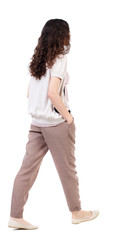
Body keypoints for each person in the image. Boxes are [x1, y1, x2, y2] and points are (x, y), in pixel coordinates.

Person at [8, 18, 99, 230]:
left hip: (36, 123)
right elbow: (52, 93)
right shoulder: (59, 59)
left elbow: (30, 93)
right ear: (62, 36)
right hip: (55, 124)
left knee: (26, 171)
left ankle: (15, 216)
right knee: (67, 170)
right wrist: (68, 117)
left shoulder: (37, 60)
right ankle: (77, 212)